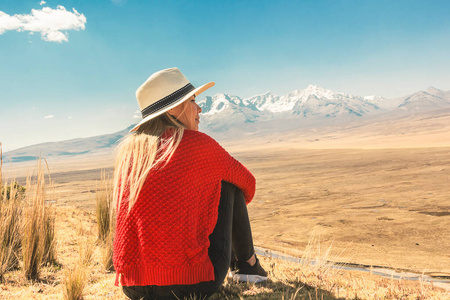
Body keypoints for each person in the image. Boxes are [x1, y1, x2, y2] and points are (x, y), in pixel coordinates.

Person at [113, 67, 267, 300]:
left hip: (133, 286)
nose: (199, 108)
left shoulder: (129, 150)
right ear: (174, 108)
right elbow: (248, 184)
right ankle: (248, 265)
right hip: (192, 285)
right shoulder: (200, 145)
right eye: (193, 101)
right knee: (228, 181)